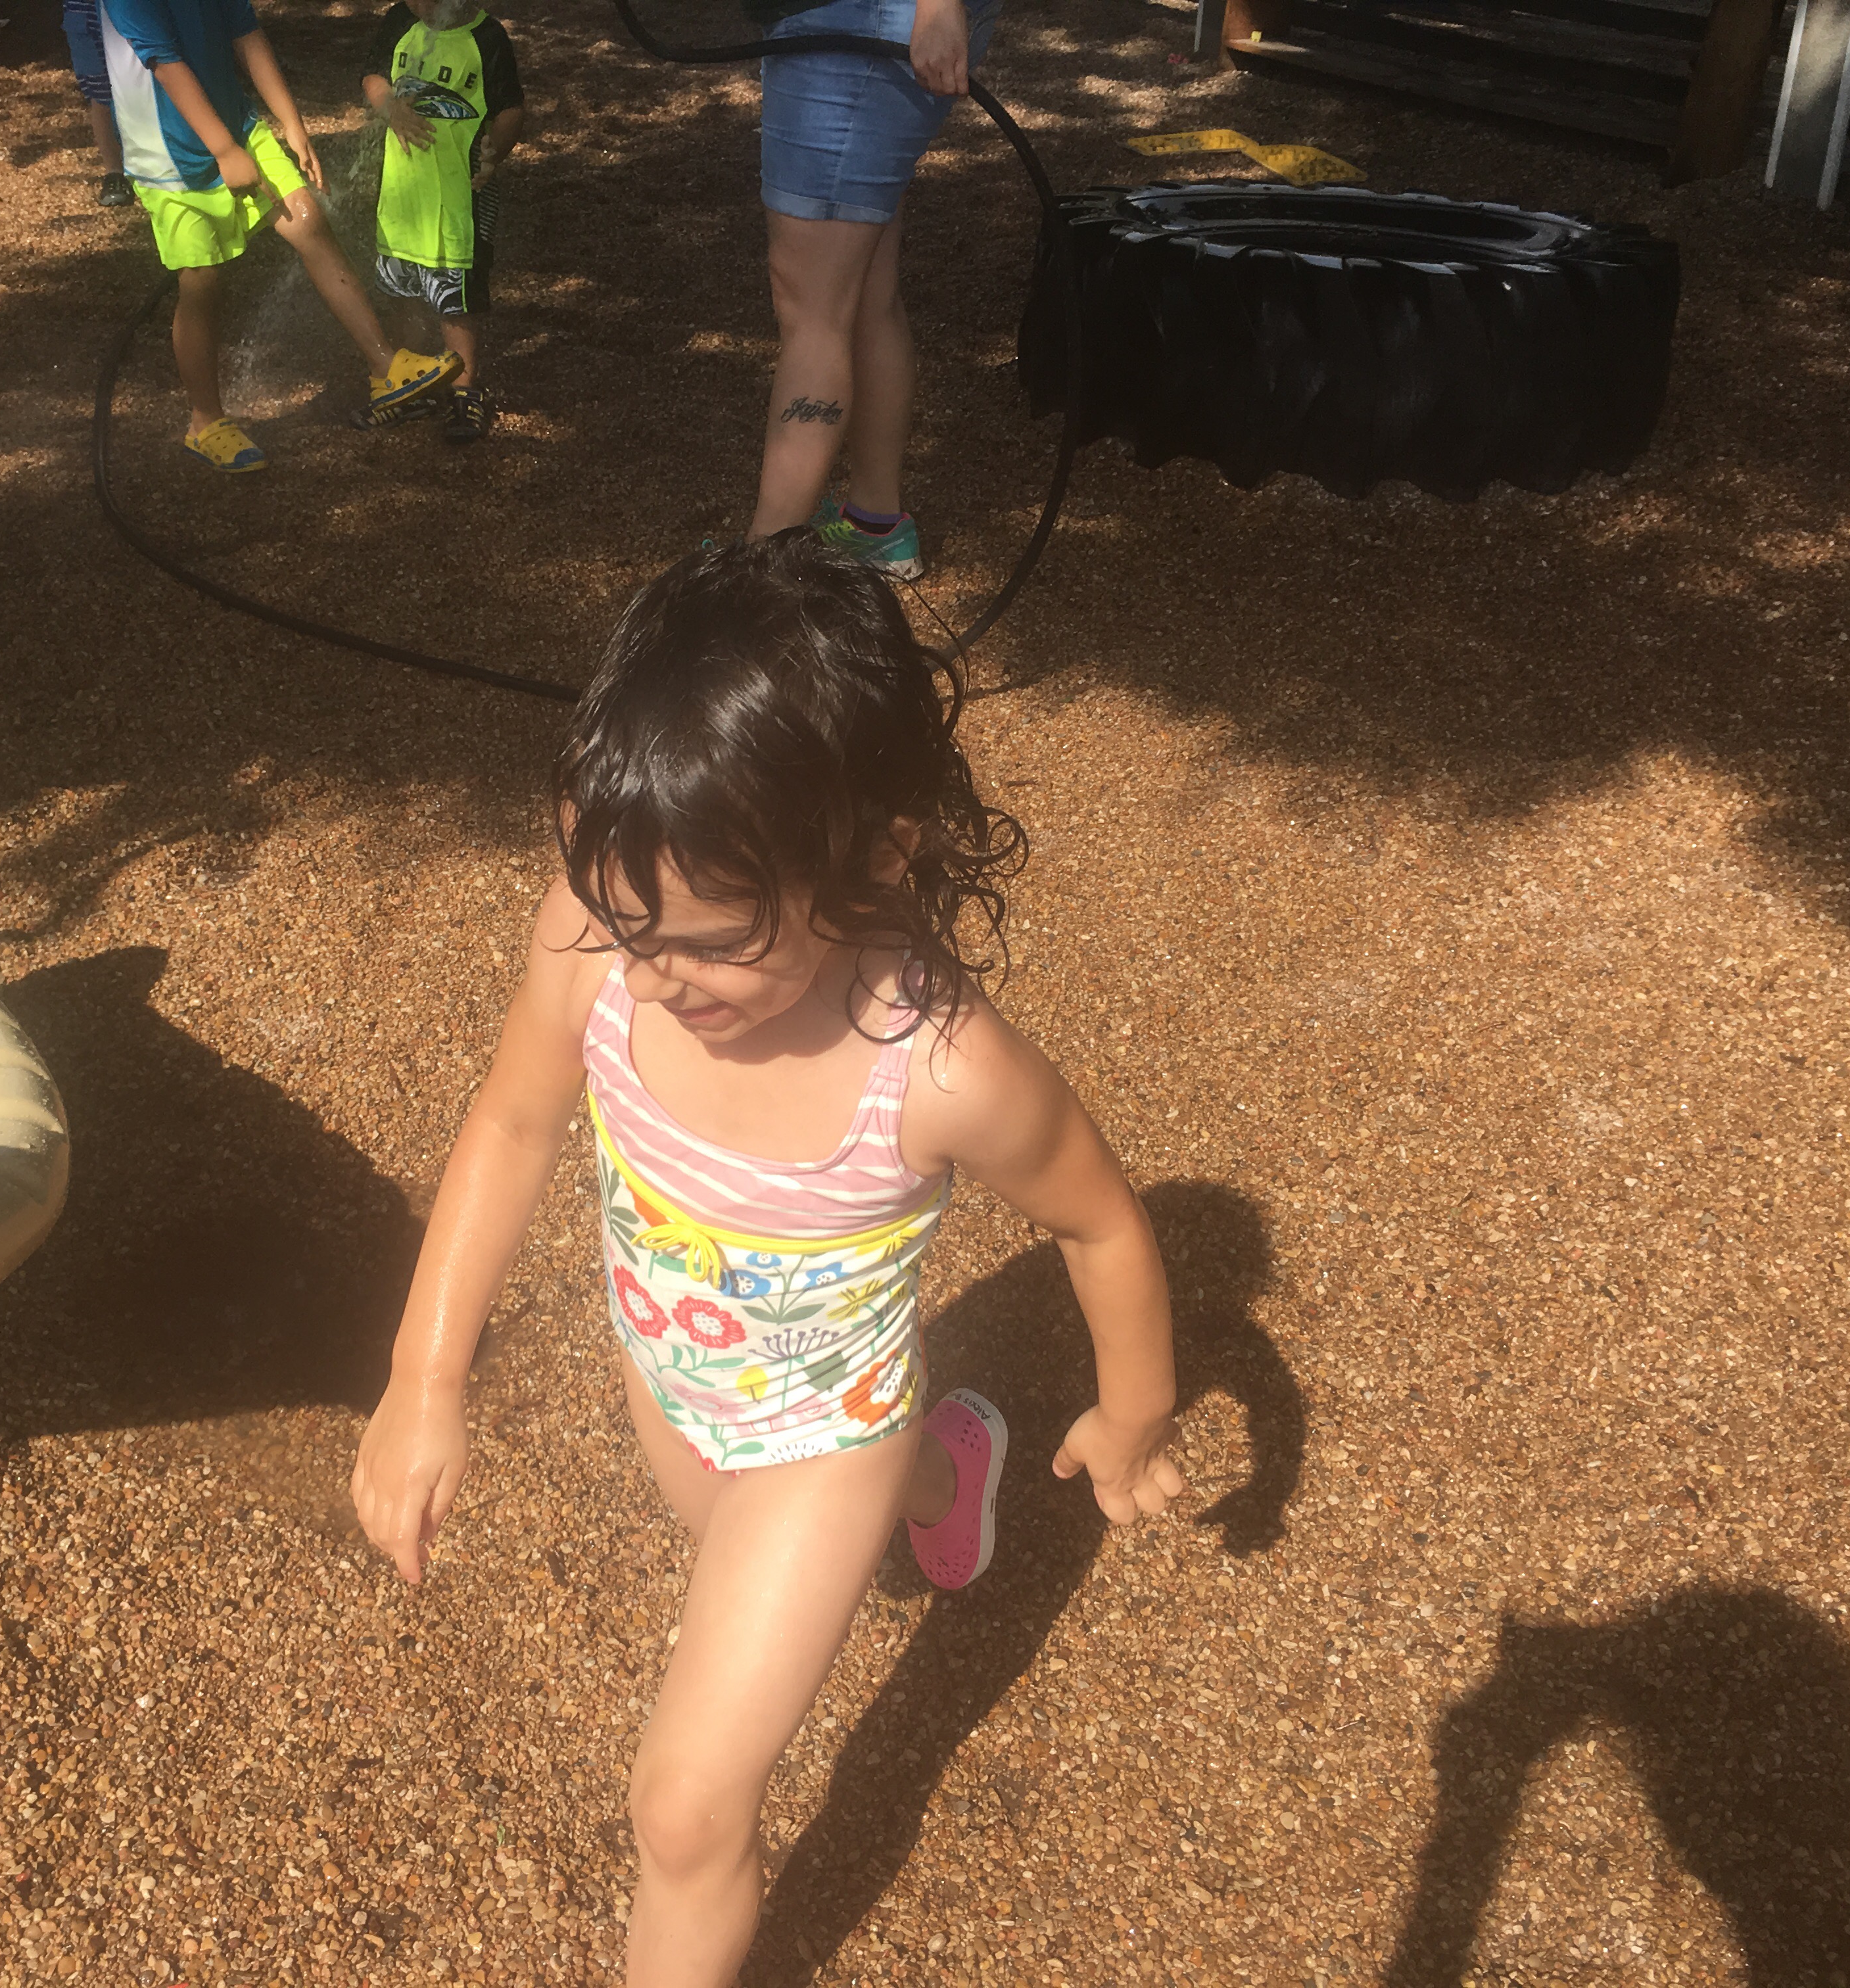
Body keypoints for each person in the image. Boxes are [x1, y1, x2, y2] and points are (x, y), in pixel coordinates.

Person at [352, 535, 1187, 1988]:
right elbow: (512, 1120)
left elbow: (1100, 1220)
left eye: (708, 938)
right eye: (629, 924)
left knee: (684, 1807)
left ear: (874, 856)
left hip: (822, 1433)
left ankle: (902, 1470)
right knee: (721, 1535)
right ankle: (948, 1474)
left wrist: (1136, 1409)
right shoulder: (595, 941)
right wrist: (424, 1377)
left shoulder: (939, 1070)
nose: (652, 975)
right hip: (670, 1372)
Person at [99, 0, 462, 471]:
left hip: (236, 125)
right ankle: (206, 421)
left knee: (309, 220)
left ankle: (386, 366)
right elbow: (166, 64)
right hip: (168, 158)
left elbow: (246, 34)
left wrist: (291, 122)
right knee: (202, 279)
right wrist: (224, 151)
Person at [747, 0, 997, 579]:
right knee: (860, 291)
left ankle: (758, 582)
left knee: (813, 309)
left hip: (860, 24)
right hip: (865, 24)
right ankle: (875, 527)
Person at [361, 0, 527, 444]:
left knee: (457, 303)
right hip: (402, 200)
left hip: (459, 200)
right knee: (402, 294)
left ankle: (465, 392)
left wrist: (497, 151)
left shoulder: (487, 38)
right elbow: (373, 76)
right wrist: (390, 107)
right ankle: (408, 382)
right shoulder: (401, 19)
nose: (421, 5)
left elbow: (510, 107)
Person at [59, 0, 133, 206]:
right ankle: (114, 173)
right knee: (100, 97)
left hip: (130, 12)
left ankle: (148, 163)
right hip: (85, 16)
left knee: (138, 87)